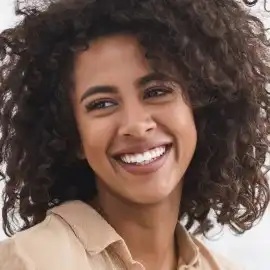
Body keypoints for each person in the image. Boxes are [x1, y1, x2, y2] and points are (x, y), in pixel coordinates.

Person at [0, 0, 269, 269]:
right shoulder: (30, 261)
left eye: (156, 92)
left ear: (198, 110)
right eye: (102, 104)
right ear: (72, 135)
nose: (137, 126)